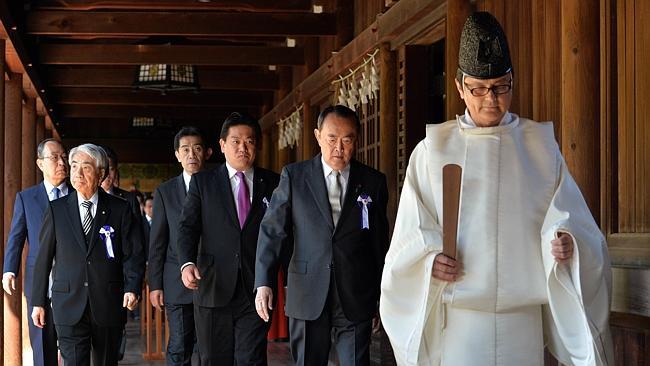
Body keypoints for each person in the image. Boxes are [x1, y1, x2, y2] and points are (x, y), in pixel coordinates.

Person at [379, 12, 613, 366]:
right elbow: (411, 235)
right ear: (459, 87)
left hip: (523, 319)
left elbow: (571, 221)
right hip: (462, 319)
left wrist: (566, 242)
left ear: (512, 83)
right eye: (478, 88)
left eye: (501, 86)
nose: (491, 98)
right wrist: (430, 262)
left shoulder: (540, 147)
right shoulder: (433, 151)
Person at [255, 105, 389, 366]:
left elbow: (378, 243)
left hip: (356, 292)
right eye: (331, 138)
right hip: (307, 291)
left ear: (356, 140)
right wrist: (264, 281)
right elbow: (273, 230)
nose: (339, 147)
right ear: (318, 136)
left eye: (347, 139)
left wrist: (381, 295)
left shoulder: (373, 181)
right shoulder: (295, 176)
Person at [177, 113, 280, 365]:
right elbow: (187, 227)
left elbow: (283, 233)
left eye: (249, 141)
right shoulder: (203, 183)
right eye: (236, 141)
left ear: (257, 145)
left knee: (251, 359)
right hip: (213, 286)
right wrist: (187, 263)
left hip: (256, 287)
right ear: (222, 146)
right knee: (213, 358)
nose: (243, 148)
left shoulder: (274, 183)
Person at [31, 143, 144, 366]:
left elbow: (133, 254)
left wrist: (132, 288)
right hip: (68, 302)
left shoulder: (120, 209)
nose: (78, 173)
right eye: (74, 166)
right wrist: (38, 302)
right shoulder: (57, 209)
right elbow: (43, 259)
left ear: (101, 173)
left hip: (108, 301)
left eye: (86, 167)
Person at [148, 126, 212, 365]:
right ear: (177, 154)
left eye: (196, 148)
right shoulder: (165, 192)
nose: (191, 154)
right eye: (185, 149)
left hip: (212, 279)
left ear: (207, 152)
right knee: (179, 345)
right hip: (176, 282)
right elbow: (157, 242)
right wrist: (155, 285)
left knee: (211, 347)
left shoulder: (218, 185)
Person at [2, 139, 69, 366]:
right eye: (54, 158)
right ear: (40, 164)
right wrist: (9, 270)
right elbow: (16, 236)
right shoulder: (26, 197)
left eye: (64, 156)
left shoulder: (77, 195)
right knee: (42, 347)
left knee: (74, 348)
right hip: (40, 284)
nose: (62, 162)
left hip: (74, 283)